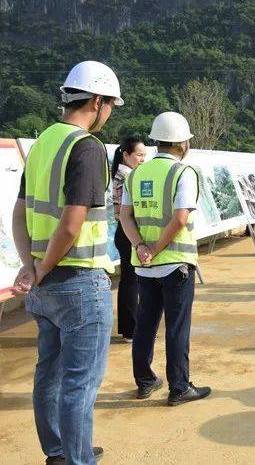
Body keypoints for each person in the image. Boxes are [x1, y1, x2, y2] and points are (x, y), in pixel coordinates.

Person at [11, 61, 123, 464]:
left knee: (50, 376)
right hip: (79, 282)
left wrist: (31, 265)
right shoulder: (86, 147)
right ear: (97, 101)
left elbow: (19, 211)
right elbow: (73, 221)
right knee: (80, 384)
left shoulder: (42, 145)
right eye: (110, 105)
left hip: (45, 286)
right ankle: (78, 460)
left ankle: (58, 452)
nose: (108, 114)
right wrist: (41, 267)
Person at [120, 111, 211, 406]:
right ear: (183, 143)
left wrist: (141, 247)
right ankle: (179, 386)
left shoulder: (136, 174)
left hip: (145, 266)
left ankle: (145, 381)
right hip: (175, 264)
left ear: (157, 141)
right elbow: (181, 217)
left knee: (145, 324)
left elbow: (125, 215)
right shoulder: (183, 172)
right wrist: (157, 248)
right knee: (177, 326)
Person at [111, 138, 147, 343]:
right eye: (139, 155)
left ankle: (130, 328)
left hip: (124, 231)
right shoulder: (127, 177)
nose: (143, 159)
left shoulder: (125, 174)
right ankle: (131, 329)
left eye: (144, 155)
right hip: (127, 232)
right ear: (126, 155)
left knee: (129, 280)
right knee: (131, 281)